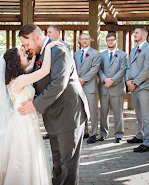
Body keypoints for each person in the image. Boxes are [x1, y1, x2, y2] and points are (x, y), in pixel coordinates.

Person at [18, 24, 90, 185]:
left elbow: (58, 83)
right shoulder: (41, 52)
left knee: (67, 164)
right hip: (53, 115)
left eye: (27, 44)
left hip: (68, 114)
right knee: (58, 164)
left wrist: (35, 104)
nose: (26, 48)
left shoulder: (58, 50)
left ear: (37, 37)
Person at [0, 41, 59, 184]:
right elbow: (44, 71)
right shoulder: (20, 80)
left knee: (22, 157)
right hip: (24, 123)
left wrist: (36, 52)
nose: (27, 55)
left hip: (21, 120)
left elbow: (31, 66)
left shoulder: (18, 78)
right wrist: (49, 47)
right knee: (24, 156)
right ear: (16, 62)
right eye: (23, 55)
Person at [126, 26, 149, 153]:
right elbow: (128, 67)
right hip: (133, 86)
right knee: (139, 114)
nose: (134, 34)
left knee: (147, 115)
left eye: (136, 32)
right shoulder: (133, 50)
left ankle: (148, 142)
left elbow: (147, 70)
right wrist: (128, 81)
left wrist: (135, 83)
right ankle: (140, 135)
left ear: (144, 35)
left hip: (144, 86)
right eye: (134, 32)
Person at [98, 32, 127, 143]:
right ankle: (103, 133)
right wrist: (105, 79)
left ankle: (119, 134)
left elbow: (123, 70)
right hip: (104, 87)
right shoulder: (101, 55)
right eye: (108, 40)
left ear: (116, 40)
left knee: (117, 112)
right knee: (103, 112)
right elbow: (99, 69)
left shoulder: (122, 55)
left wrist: (112, 81)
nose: (110, 42)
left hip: (117, 87)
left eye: (112, 40)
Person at [73, 33, 100, 142]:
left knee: (92, 110)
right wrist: (77, 79)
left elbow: (95, 69)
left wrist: (83, 79)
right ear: (79, 41)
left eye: (87, 39)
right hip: (78, 86)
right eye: (82, 39)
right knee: (80, 110)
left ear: (90, 40)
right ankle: (84, 132)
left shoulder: (95, 53)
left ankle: (94, 133)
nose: (84, 41)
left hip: (89, 85)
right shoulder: (75, 54)